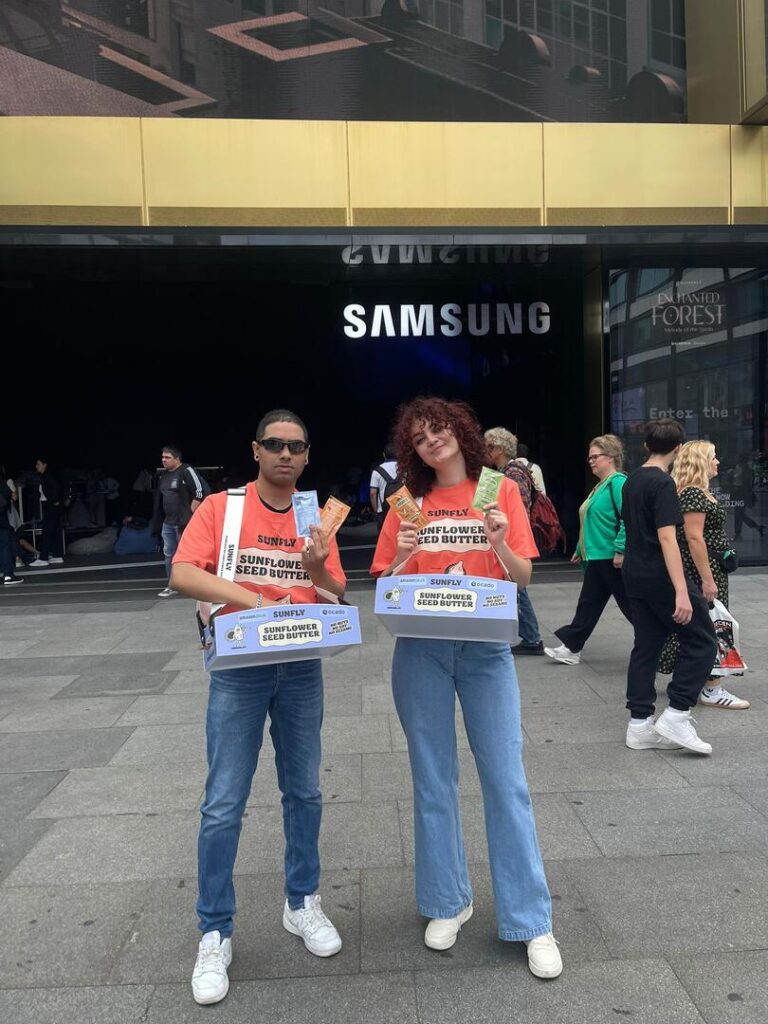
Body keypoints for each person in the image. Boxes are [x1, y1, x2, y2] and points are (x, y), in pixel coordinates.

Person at [372, 397, 562, 980]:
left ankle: (531, 919)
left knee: (507, 781)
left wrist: (501, 541)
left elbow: (523, 575)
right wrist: (402, 555)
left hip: (485, 650)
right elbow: (384, 584)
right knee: (433, 779)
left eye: (442, 429)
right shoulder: (408, 502)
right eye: (421, 435)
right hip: (421, 650)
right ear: (412, 448)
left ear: (462, 432)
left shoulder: (498, 490)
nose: (433, 440)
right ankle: (446, 901)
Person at [170, 409, 346, 1006]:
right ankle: (214, 929)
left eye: (296, 446)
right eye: (274, 444)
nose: (285, 454)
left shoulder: (315, 514)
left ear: (306, 454)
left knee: (305, 791)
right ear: (255, 449)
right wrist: (254, 598)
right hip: (241, 667)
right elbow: (183, 572)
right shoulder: (223, 507)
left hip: (301, 665)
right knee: (223, 802)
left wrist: (317, 562)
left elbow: (334, 591)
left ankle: (303, 902)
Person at [622, 419, 717, 755]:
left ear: (647, 445)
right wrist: (681, 589)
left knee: (646, 645)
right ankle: (677, 713)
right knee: (705, 641)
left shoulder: (631, 480)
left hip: (634, 573)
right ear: (678, 449)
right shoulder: (662, 483)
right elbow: (667, 538)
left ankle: (639, 725)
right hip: (660, 575)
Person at [657, 441, 749, 709]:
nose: (718, 462)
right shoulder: (694, 495)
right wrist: (707, 579)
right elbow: (694, 538)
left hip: (708, 568)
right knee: (712, 626)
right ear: (699, 462)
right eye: (713, 457)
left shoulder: (693, 493)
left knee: (703, 625)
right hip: (703, 571)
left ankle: (694, 680)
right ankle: (712, 687)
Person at [545, 435, 631, 665]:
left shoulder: (618, 483)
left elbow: (627, 518)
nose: (591, 461)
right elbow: (591, 522)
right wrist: (579, 548)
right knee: (589, 604)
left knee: (631, 607)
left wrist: (621, 549)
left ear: (611, 457)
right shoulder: (600, 487)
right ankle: (571, 648)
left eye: (596, 457)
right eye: (589, 457)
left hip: (611, 557)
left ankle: (662, 642)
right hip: (597, 556)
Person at [484, 427, 544, 655]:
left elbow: (517, 509)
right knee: (517, 589)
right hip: (504, 539)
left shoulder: (511, 474)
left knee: (517, 588)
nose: (484, 452)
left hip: (508, 540)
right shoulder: (506, 472)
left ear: (499, 449)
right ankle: (531, 637)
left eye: (488, 447)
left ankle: (532, 638)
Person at [151, 445, 207, 598]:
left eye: (167, 457)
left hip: (184, 521)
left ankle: (195, 585)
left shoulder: (186, 470)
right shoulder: (163, 475)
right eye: (162, 457)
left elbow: (199, 492)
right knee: (169, 553)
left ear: (177, 459)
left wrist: (191, 515)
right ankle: (172, 585)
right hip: (168, 522)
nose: (164, 460)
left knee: (188, 554)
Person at [28, 458, 64, 567]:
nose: (36, 466)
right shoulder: (48, 476)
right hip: (52, 506)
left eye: (38, 464)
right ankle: (57, 555)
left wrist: (55, 500)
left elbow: (56, 488)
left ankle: (43, 558)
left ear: (44, 465)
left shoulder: (47, 476)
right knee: (55, 530)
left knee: (47, 531)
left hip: (50, 506)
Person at [731, 452, 763, 541]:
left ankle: (738, 534)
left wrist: (748, 498)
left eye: (738, 458)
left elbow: (746, 485)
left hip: (741, 494)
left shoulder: (745, 469)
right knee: (740, 514)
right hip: (738, 493)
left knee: (738, 514)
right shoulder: (739, 468)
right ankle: (757, 527)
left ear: (741, 460)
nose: (737, 459)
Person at [369, 445, 400, 530]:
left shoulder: (377, 471)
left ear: (384, 455)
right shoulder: (404, 467)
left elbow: (373, 493)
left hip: (383, 510)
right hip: (403, 508)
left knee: (385, 538)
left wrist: (376, 510)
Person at [0, 475, 23, 585]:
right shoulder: (2, 482)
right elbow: (12, 496)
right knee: (5, 545)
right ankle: (8, 575)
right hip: (1, 520)